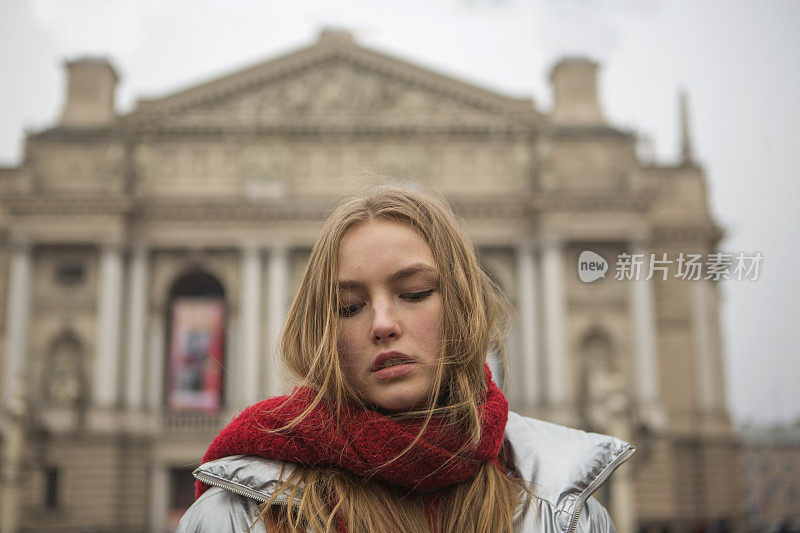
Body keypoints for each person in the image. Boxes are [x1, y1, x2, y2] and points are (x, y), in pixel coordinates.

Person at [177, 186, 634, 532]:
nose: (382, 323)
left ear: (462, 307)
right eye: (349, 308)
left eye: (414, 293)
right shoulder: (236, 514)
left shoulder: (565, 510)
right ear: (323, 334)